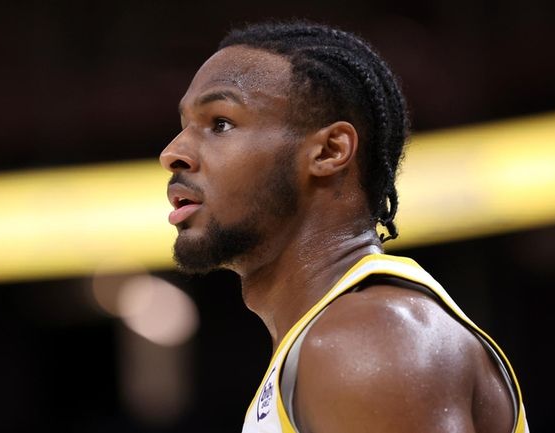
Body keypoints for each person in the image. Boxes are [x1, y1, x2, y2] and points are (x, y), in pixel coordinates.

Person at [159, 20, 529, 433]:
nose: (172, 153)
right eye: (183, 126)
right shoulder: (331, 340)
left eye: (220, 123)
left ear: (330, 151)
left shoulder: (368, 340)